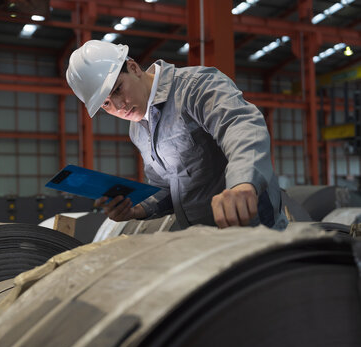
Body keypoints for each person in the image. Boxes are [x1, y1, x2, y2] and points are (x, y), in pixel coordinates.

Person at [65, 40, 287, 230]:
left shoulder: (196, 87)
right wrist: (138, 208)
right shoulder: (138, 128)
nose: (118, 106)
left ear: (133, 68)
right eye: (106, 104)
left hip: (253, 226)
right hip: (202, 237)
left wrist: (242, 182)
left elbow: (240, 126)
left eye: (117, 90)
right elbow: (167, 187)